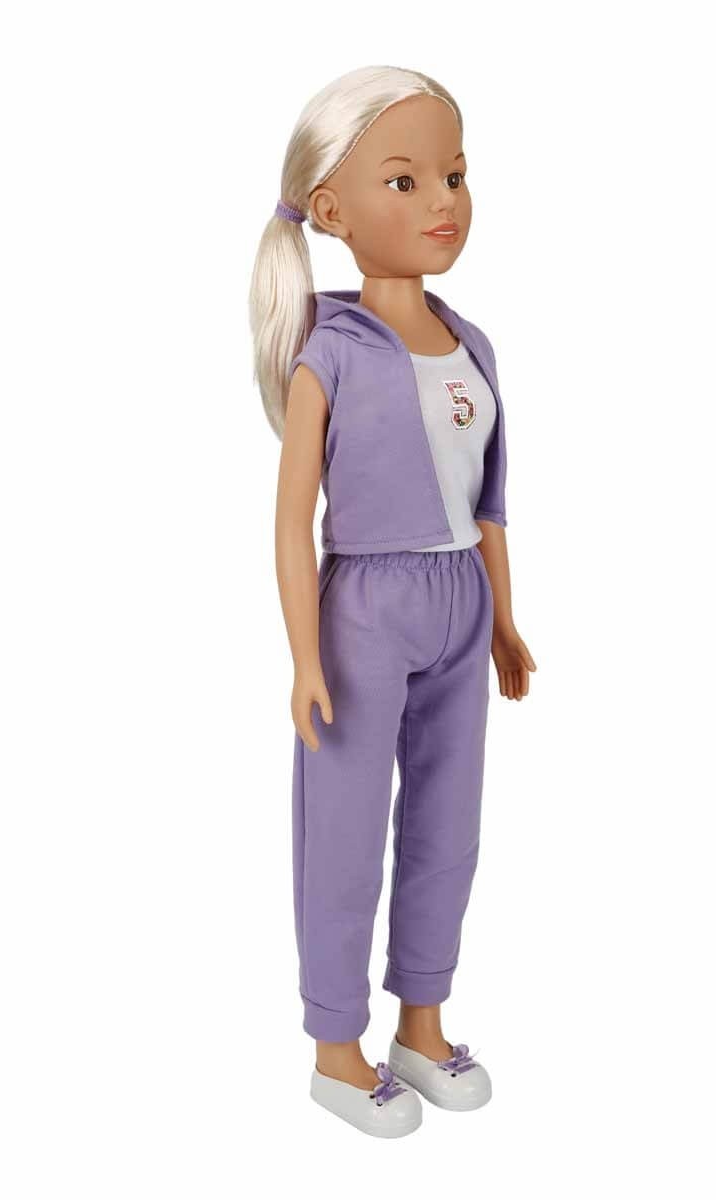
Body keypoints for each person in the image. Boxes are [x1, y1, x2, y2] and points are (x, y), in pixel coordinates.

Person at [249, 64, 537, 1138]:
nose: (443, 202)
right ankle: (337, 1043)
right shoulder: (328, 354)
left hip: (462, 598)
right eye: (405, 181)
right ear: (331, 212)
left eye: (454, 175)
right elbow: (291, 521)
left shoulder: (473, 345)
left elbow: (491, 502)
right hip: (364, 607)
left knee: (448, 825)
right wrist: (304, 655)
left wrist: (502, 616)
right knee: (344, 827)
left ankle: (423, 1019)